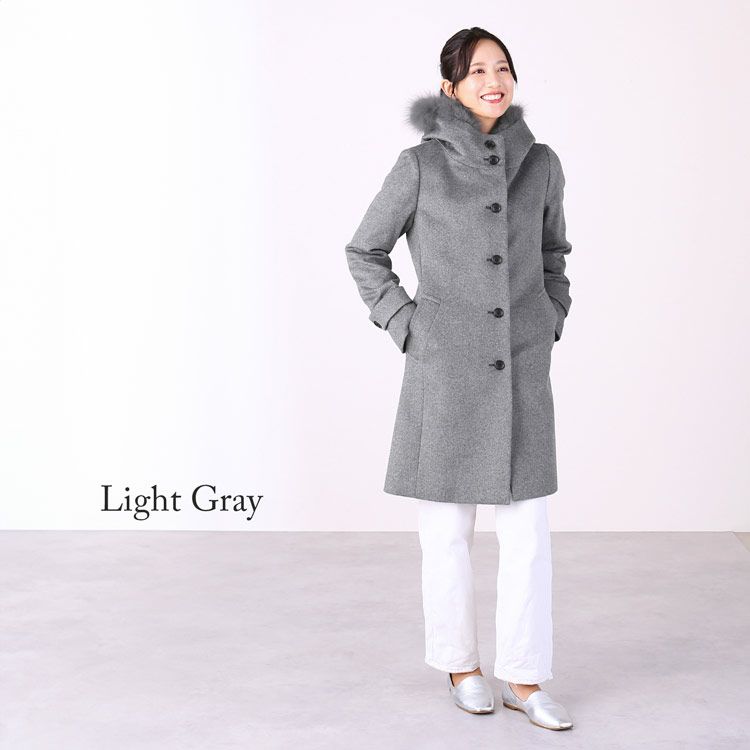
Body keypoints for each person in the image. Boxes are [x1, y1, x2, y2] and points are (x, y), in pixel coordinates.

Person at [345, 27, 574, 731]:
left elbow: (554, 252)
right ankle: (461, 666)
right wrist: (409, 326)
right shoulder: (420, 165)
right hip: (445, 371)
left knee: (527, 534)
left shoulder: (541, 163)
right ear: (449, 86)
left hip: (521, 367)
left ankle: (525, 677)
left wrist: (551, 314)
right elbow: (365, 251)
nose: (492, 80)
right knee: (446, 532)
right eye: (476, 71)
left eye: (502, 68)